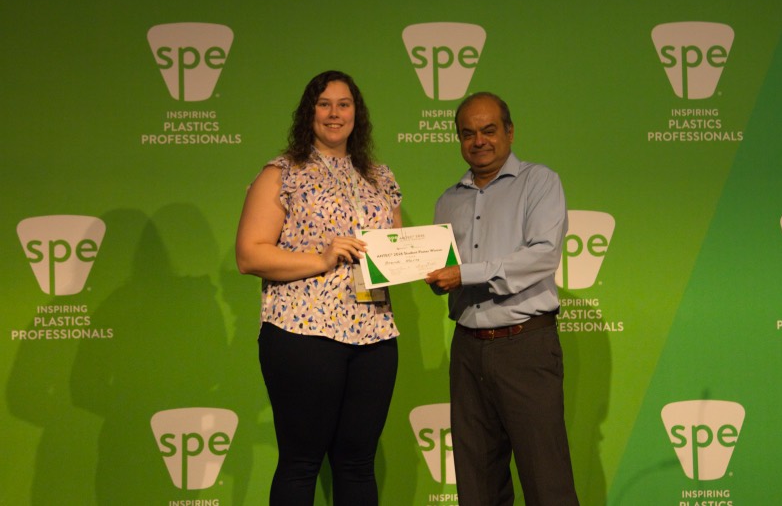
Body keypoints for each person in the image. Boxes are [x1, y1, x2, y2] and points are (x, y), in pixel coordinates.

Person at [236, 70, 402, 505]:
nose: (334, 113)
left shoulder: (380, 177)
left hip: (375, 334)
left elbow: (396, 249)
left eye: (343, 104)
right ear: (308, 112)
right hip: (302, 332)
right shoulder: (282, 173)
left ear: (356, 113)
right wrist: (322, 259)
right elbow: (249, 255)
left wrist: (422, 261)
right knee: (301, 462)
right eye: (323, 104)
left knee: (358, 463)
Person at [425, 92, 579, 506]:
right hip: (467, 350)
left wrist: (465, 274)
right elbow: (444, 268)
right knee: (477, 485)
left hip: (524, 345)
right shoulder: (448, 201)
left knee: (547, 481)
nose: (479, 141)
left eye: (489, 130)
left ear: (509, 132)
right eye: (468, 133)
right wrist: (437, 278)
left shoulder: (539, 182)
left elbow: (543, 254)